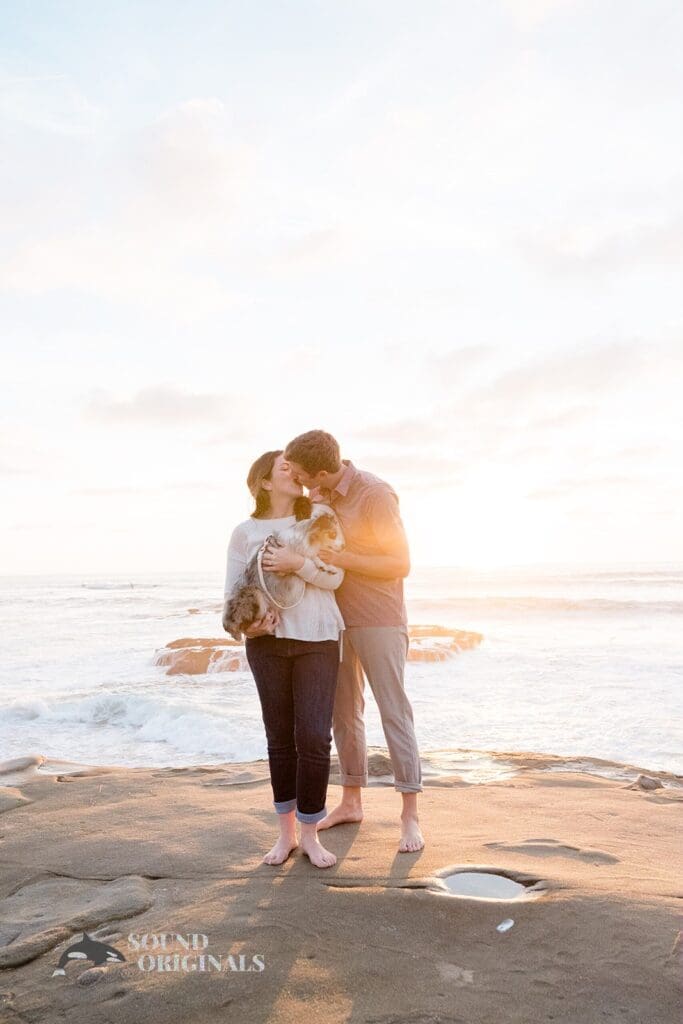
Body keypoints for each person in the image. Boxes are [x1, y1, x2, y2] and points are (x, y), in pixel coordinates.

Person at [284, 430, 425, 853]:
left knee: (394, 713)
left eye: (308, 479)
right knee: (344, 715)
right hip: (334, 622)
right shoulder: (321, 497)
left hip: (379, 619)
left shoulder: (374, 494)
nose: (306, 487)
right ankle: (351, 802)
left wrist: (341, 559)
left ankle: (410, 815)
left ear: (324, 472)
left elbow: (400, 563)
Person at [223, 450, 345, 868]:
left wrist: (299, 564)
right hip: (268, 645)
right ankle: (285, 836)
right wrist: (249, 625)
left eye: (297, 469)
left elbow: (336, 576)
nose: (295, 474)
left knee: (313, 737)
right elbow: (231, 597)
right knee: (279, 740)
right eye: (285, 469)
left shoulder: (320, 517)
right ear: (265, 483)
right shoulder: (244, 532)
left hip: (318, 638)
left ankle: (311, 834)